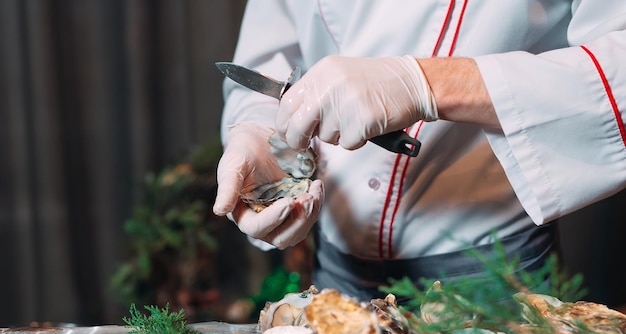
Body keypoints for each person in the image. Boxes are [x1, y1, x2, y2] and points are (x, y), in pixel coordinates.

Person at [213, 1, 626, 301]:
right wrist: (262, 133)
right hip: (336, 269)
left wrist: (426, 83)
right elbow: (273, 54)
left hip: (496, 279)